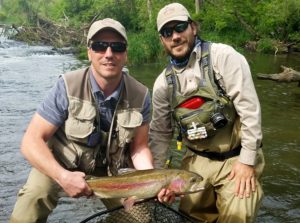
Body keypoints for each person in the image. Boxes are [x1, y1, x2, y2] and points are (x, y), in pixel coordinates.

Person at [10, 18, 173, 223]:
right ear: (89, 52)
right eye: (99, 46)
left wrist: (153, 182)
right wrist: (63, 177)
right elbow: (31, 141)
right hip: (62, 163)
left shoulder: (140, 95)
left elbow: (139, 148)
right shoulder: (67, 87)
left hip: (114, 171)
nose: (109, 54)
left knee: (139, 218)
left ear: (125, 54)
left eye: (117, 47)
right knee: (33, 200)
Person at [149, 3, 265, 223]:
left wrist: (248, 162)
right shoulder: (162, 84)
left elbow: (250, 111)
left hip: (236, 156)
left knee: (238, 216)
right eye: (167, 32)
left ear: (193, 27)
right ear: (162, 39)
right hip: (195, 159)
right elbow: (160, 134)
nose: (175, 36)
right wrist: (159, 179)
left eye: (180, 27)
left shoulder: (224, 57)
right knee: (191, 218)